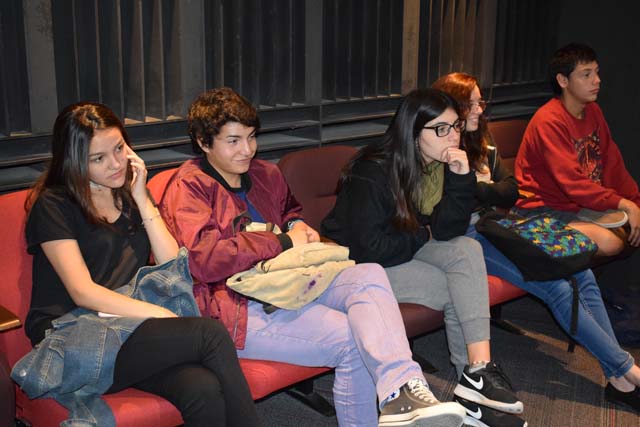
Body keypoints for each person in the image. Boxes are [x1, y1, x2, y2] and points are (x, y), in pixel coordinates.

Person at [159, 87, 467, 427]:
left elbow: (289, 211)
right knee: (351, 339)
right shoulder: (189, 186)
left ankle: (402, 391)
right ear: (204, 143)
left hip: (287, 282)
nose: (247, 149)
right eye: (233, 141)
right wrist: (281, 241)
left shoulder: (264, 174)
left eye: (251, 137)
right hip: (234, 306)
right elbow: (203, 261)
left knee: (367, 273)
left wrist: (296, 225)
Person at [22, 102, 259, 427]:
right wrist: (158, 314)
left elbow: (172, 264)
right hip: (71, 334)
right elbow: (83, 292)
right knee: (211, 334)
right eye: (98, 158)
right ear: (74, 161)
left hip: (124, 328)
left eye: (119, 148)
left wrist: (142, 198)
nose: (116, 163)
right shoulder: (54, 204)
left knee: (201, 389)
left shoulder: (128, 195)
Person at [433, 71, 640, 413]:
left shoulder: (482, 142)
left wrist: (480, 189)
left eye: (481, 102)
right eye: (473, 104)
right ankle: (626, 371)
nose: (480, 110)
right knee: (557, 287)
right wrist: (484, 189)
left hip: (500, 225)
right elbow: (458, 206)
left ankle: (618, 377)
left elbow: (510, 190)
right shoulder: (442, 148)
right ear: (454, 108)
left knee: (581, 271)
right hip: (468, 237)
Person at [322, 88, 524, 424]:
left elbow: (447, 230)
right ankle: (473, 390)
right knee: (458, 287)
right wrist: (422, 235)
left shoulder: (438, 165)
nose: (453, 136)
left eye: (456, 126)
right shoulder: (373, 171)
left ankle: (478, 371)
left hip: (403, 243)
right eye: (441, 129)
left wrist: (460, 178)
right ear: (413, 133)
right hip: (357, 265)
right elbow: (371, 249)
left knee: (468, 249)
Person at [514, 43, 640, 256]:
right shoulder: (549, 120)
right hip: (542, 210)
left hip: (578, 207)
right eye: (586, 74)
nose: (597, 80)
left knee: (624, 229)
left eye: (597, 72)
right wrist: (623, 204)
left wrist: (635, 203)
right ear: (563, 80)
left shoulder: (593, 111)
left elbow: (613, 165)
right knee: (610, 242)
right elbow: (573, 183)